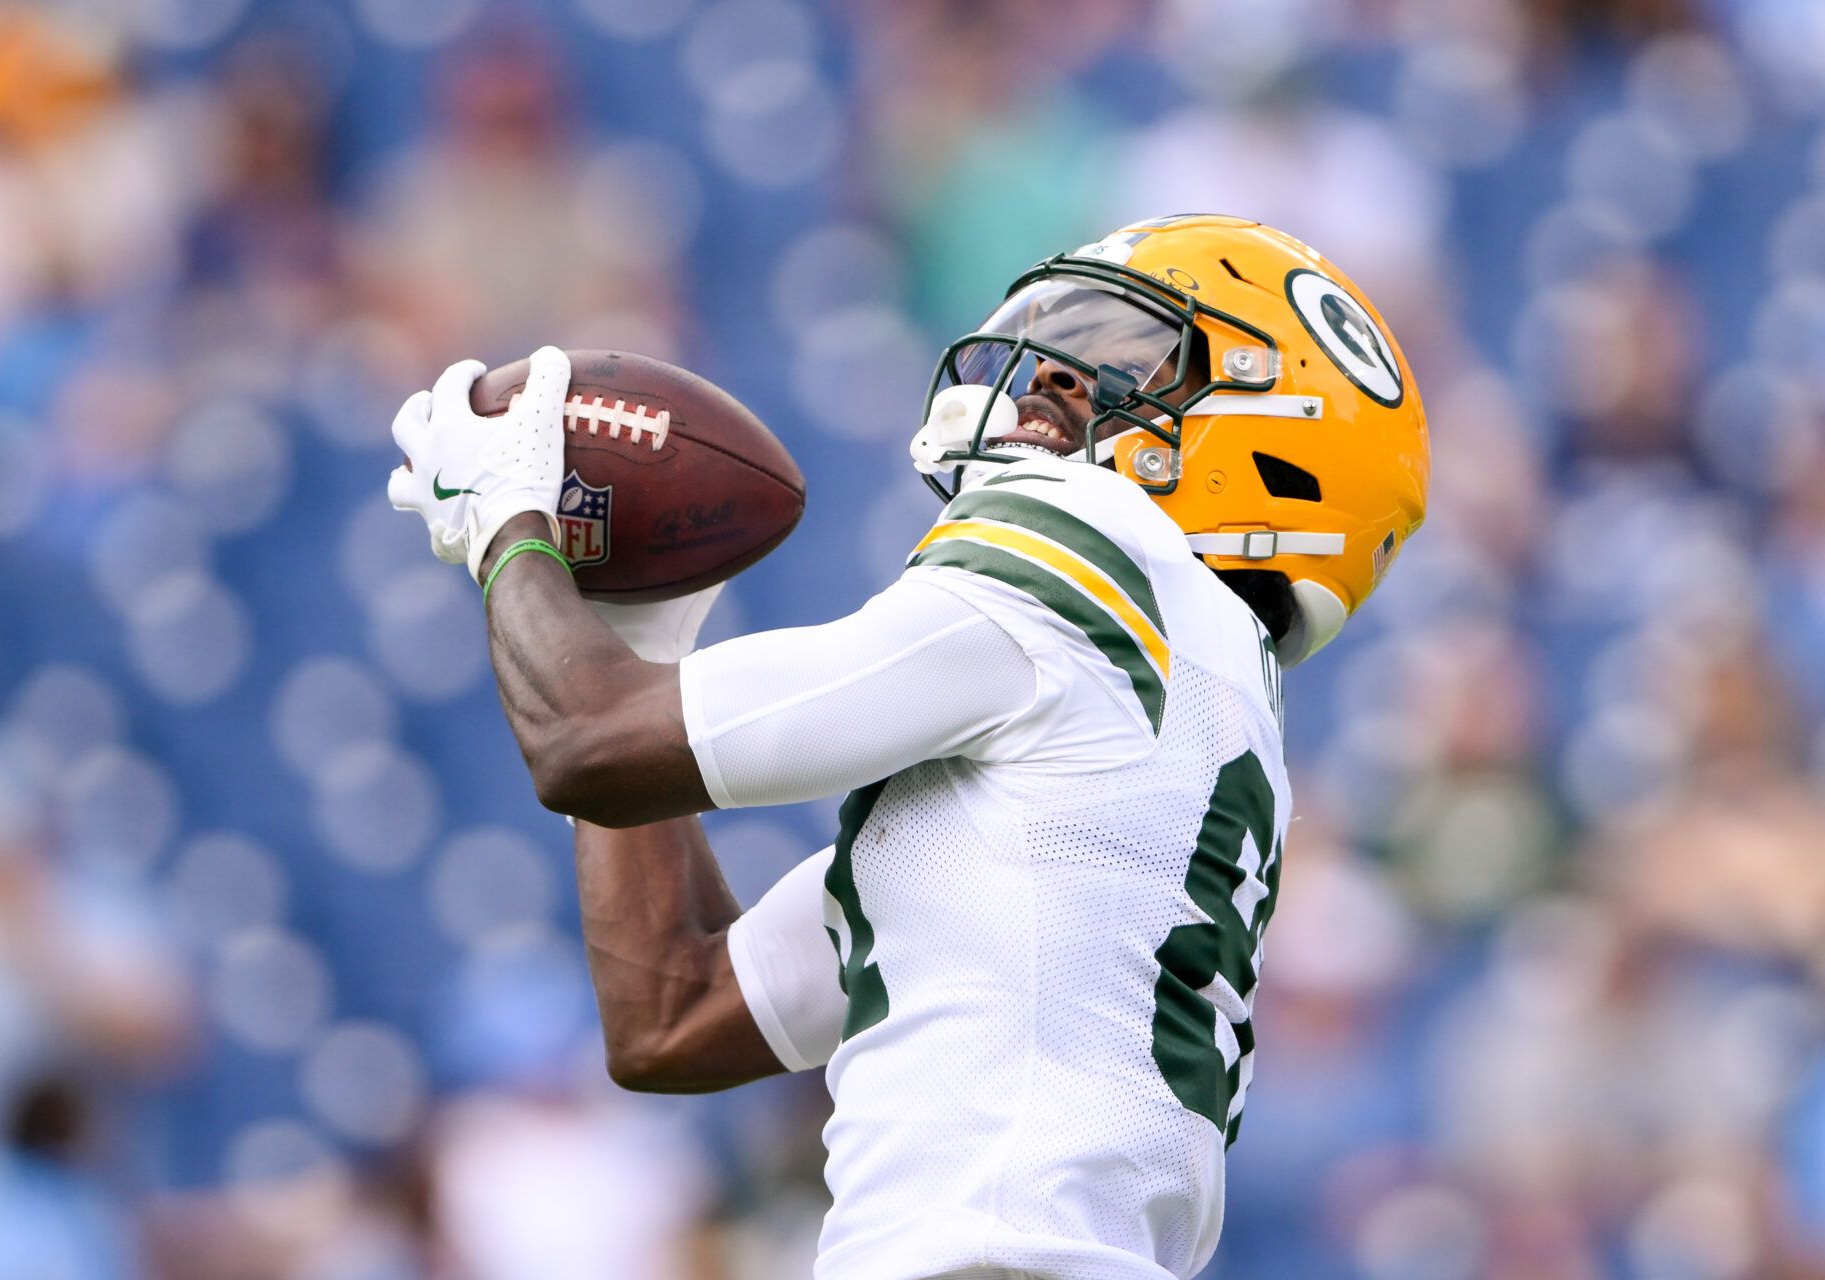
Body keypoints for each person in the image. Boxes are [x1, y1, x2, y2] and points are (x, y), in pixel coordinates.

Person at [387, 214, 1431, 1280]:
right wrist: (633, 634)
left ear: (1281, 430)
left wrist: (507, 517)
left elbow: (587, 741)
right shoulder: (1176, 697)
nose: (1051, 382)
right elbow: (672, 1012)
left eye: (1129, 356)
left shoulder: (1100, 547)